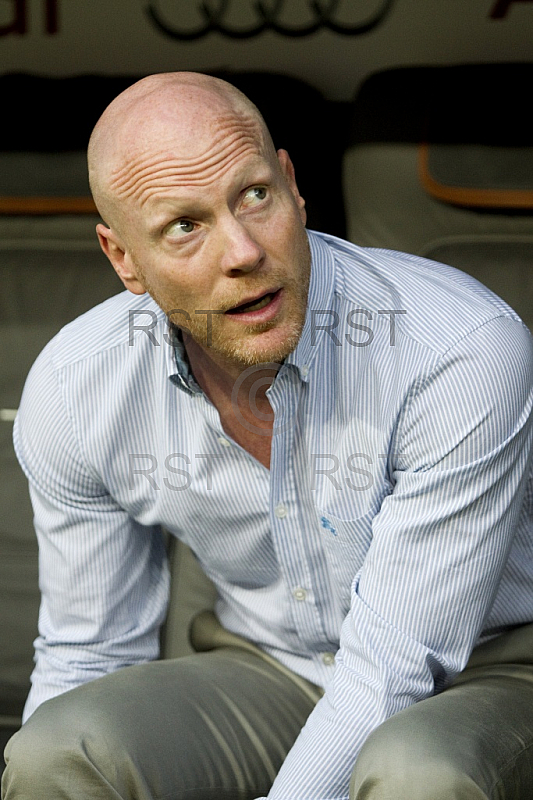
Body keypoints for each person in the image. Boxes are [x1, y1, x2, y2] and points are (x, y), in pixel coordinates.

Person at [2, 71, 533, 800]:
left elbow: (392, 667)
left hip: (493, 669)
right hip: (273, 666)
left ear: (291, 183)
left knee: (415, 772)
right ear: (123, 258)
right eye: (183, 225)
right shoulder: (75, 387)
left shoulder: (456, 351)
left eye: (253, 195)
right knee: (59, 749)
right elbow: (88, 649)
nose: (243, 251)